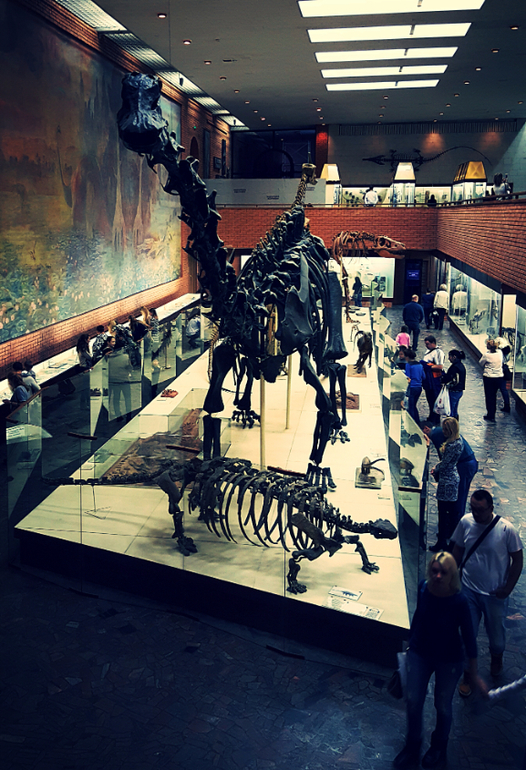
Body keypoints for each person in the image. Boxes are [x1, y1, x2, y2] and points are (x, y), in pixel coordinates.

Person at [392, 552, 486, 770]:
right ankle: (412, 745)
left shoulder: (459, 601)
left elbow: (469, 638)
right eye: (434, 571)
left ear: (452, 575)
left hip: (448, 660)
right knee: (413, 701)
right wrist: (410, 645)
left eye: (443, 572)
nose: (438, 576)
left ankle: (438, 747)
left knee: (443, 706)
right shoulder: (424, 588)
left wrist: (473, 673)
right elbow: (418, 617)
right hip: (420, 653)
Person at [452, 490, 523, 692]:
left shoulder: (506, 530)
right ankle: (467, 675)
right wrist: (450, 576)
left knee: (497, 636)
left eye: (480, 510)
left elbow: (517, 560)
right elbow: (458, 549)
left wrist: (507, 588)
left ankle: (496, 657)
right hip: (468, 590)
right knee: (467, 634)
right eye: (473, 509)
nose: (476, 513)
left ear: (491, 508)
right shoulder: (465, 522)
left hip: (494, 595)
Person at [424, 422, 478, 529]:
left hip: (465, 465)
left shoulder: (436, 435)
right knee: (460, 495)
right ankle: (455, 524)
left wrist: (437, 469)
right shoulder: (444, 434)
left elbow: (445, 460)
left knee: (459, 497)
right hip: (468, 463)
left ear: (426, 429)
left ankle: (456, 526)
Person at [429, 417, 464, 552]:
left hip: (447, 481)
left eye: (445, 429)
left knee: (444, 514)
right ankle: (449, 542)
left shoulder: (451, 445)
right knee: (450, 513)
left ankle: (443, 542)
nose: (443, 432)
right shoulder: (458, 442)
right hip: (451, 479)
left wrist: (436, 468)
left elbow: (445, 464)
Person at [421, 335, 445, 424]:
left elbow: (440, 366)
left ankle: (436, 418)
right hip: (428, 380)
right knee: (429, 398)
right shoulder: (428, 351)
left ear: (433, 343)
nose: (426, 346)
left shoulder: (438, 352)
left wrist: (428, 367)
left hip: (434, 379)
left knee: (435, 398)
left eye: (428, 344)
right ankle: (431, 415)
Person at [479, 339, 503, 422]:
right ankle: (493, 413)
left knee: (489, 396)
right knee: (494, 395)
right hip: (499, 377)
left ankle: (490, 414)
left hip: (489, 377)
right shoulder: (500, 352)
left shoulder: (487, 355)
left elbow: (481, 363)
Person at [440, 349, 466, 420]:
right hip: (459, 390)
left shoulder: (454, 367)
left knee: (450, 409)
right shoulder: (461, 366)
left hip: (454, 390)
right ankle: (455, 422)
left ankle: (451, 423)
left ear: (454, 357)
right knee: (454, 409)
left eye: (450, 356)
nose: (449, 358)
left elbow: (450, 378)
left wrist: (443, 378)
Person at [404, 349, 424, 426]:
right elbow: (424, 376)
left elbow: (407, 377)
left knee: (411, 406)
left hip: (412, 387)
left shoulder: (408, 365)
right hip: (419, 387)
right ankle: (417, 420)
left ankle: (412, 422)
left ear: (407, 357)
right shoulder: (420, 365)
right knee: (414, 404)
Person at [495, 336, 511, 414]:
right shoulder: (507, 350)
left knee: (495, 389)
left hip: (498, 370)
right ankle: (507, 405)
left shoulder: (499, 351)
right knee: (504, 389)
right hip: (504, 370)